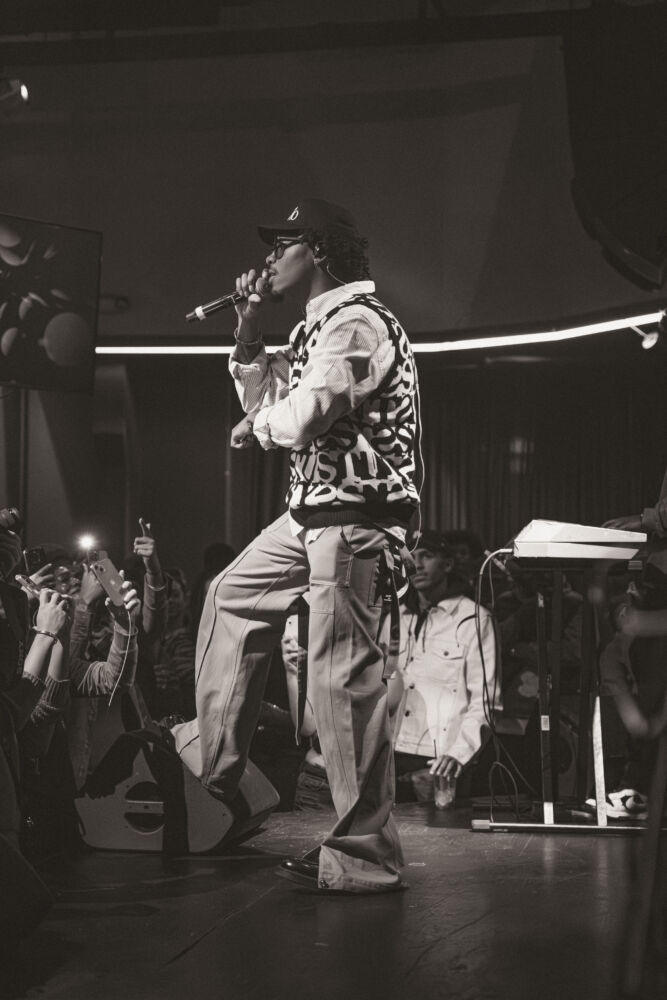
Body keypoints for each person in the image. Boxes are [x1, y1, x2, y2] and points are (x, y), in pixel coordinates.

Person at [172, 198, 420, 893]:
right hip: (313, 511)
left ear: (317, 249)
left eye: (280, 247)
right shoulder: (317, 326)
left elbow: (304, 415)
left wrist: (256, 428)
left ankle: (366, 857)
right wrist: (249, 326)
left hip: (359, 514)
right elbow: (265, 403)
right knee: (231, 595)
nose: (267, 261)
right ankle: (214, 778)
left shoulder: (358, 323)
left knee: (339, 682)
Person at [391, 529, 499, 802]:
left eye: (426, 556)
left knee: (438, 830)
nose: (417, 564)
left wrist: (459, 754)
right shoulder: (396, 617)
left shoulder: (474, 620)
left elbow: (486, 702)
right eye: (411, 557)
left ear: (448, 564)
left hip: (440, 761)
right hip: (390, 756)